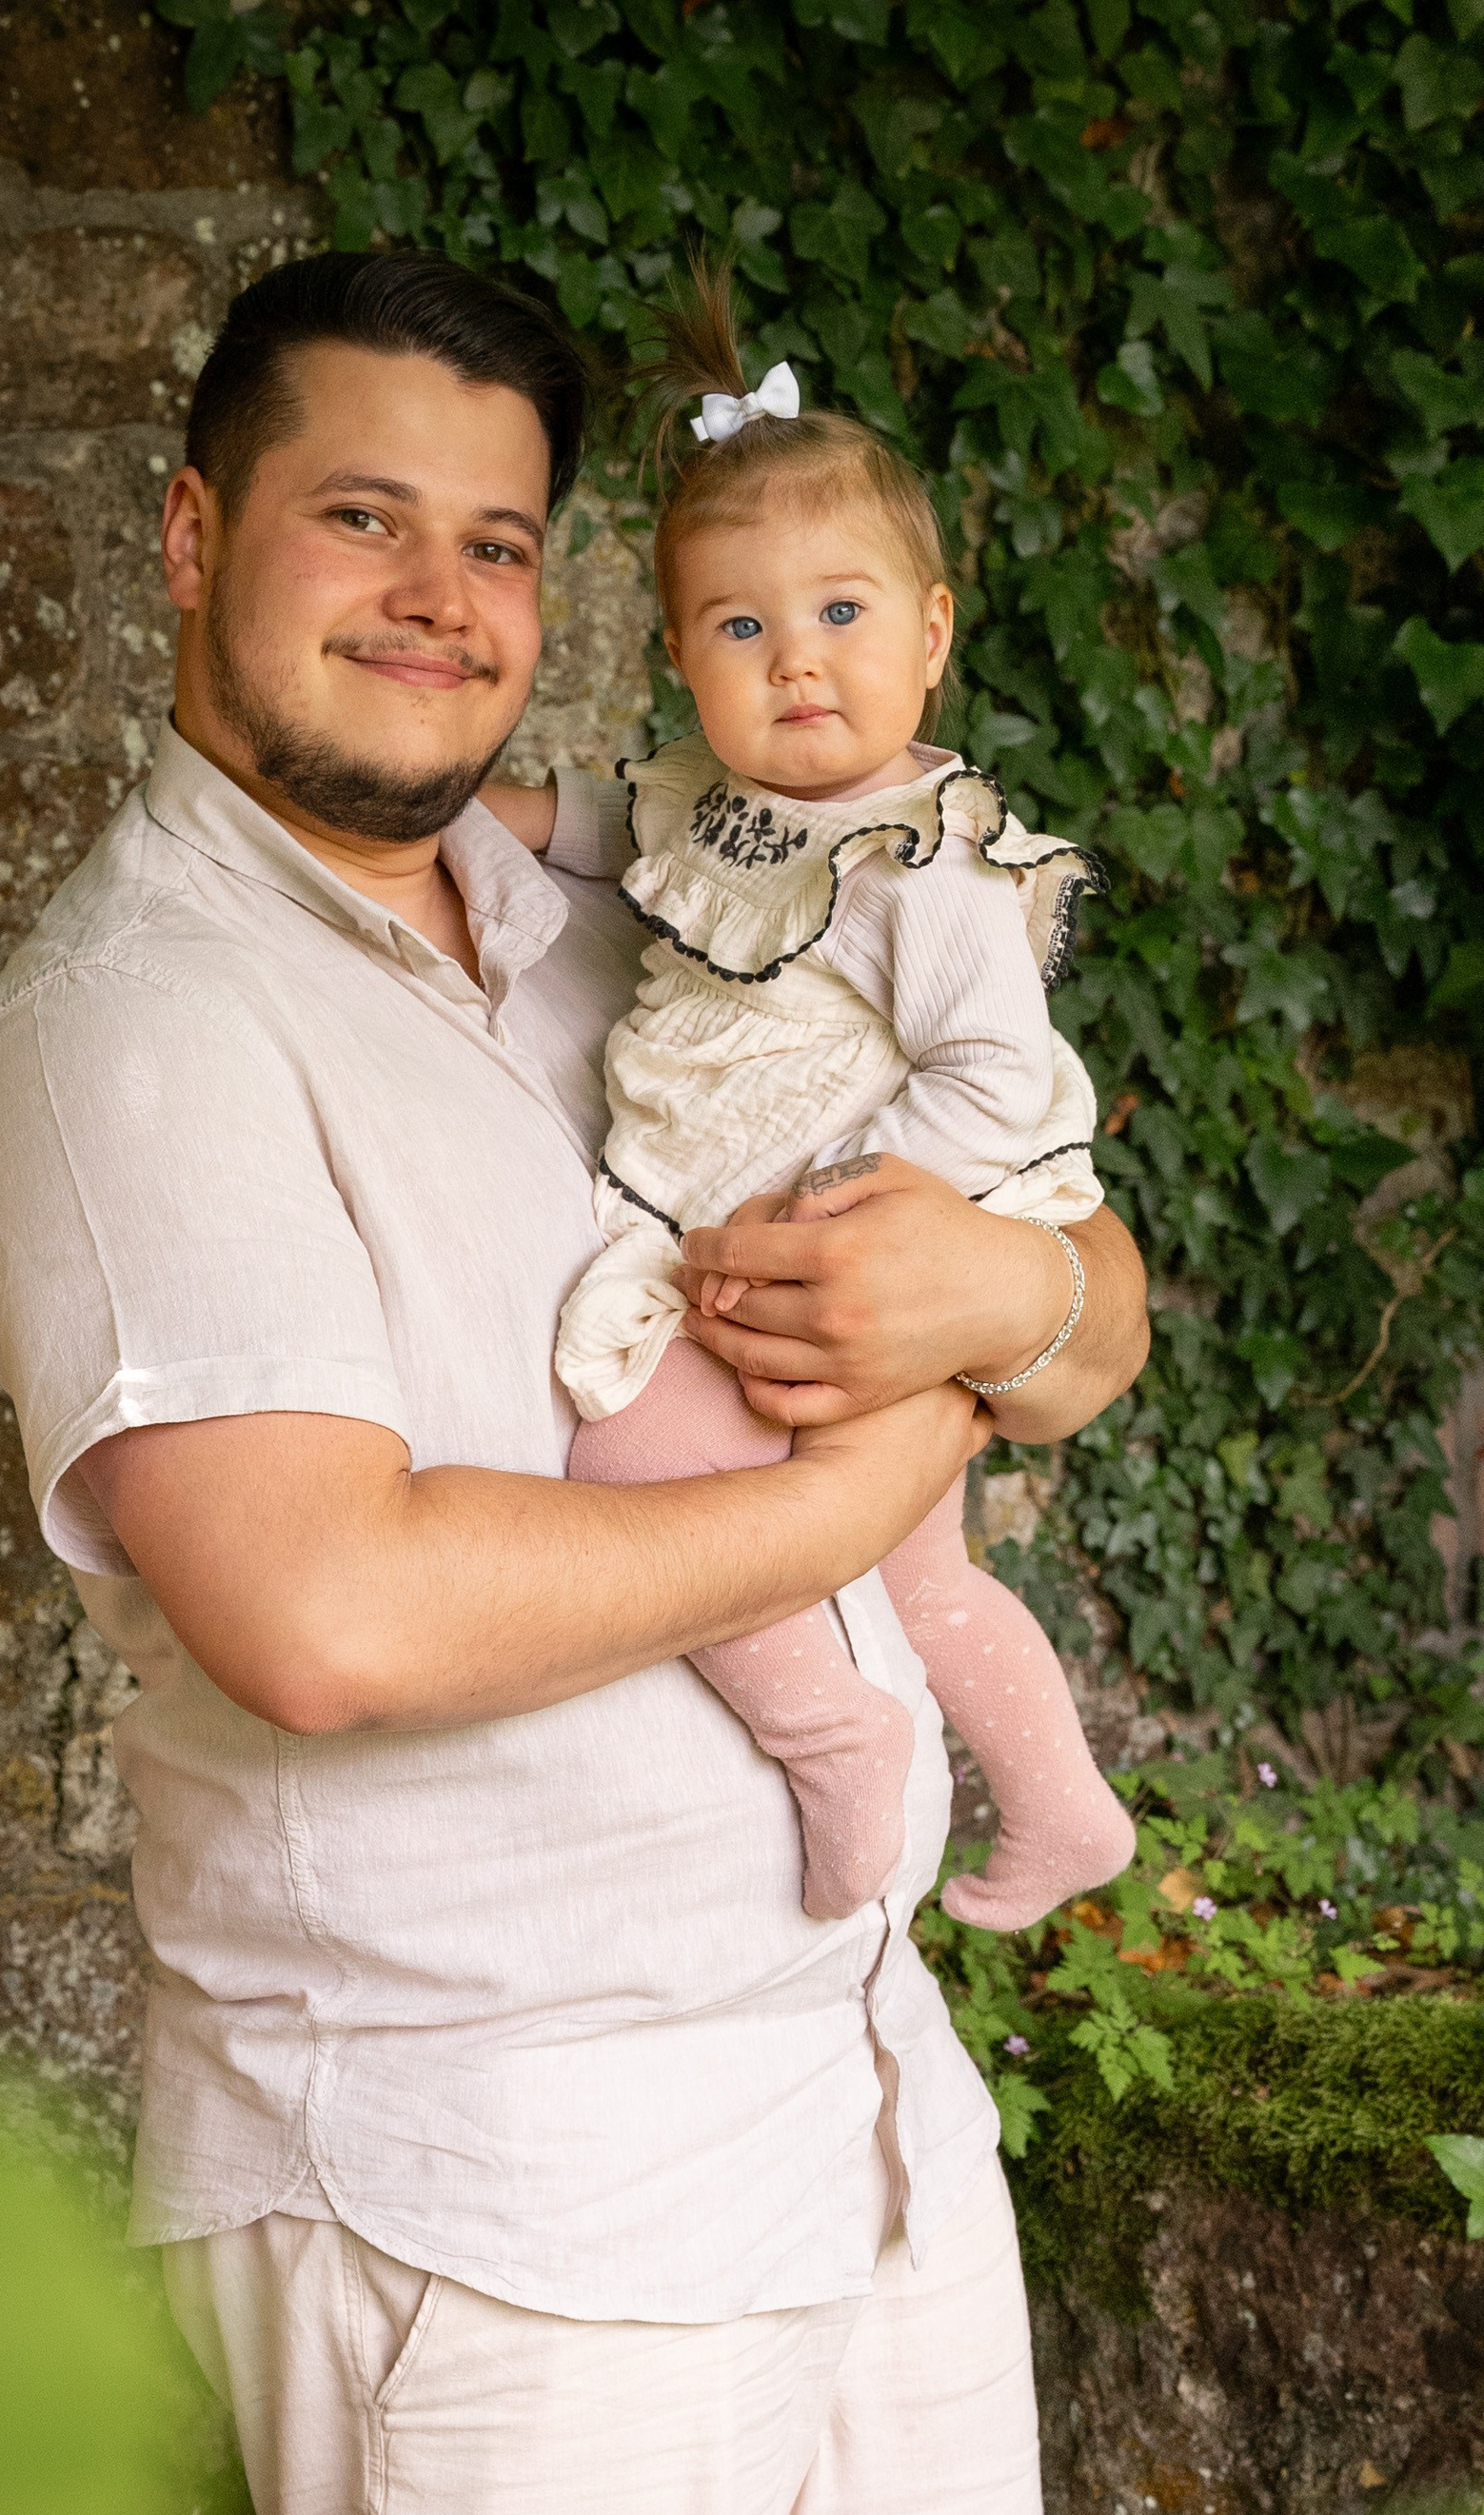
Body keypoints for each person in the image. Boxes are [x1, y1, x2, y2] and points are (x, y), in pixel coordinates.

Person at [0, 246, 1438, 2515]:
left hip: (837, 2095)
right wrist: (866, 1488)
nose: (433, 600)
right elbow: (322, 1607)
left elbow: (1066, 1263)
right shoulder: (129, 1040)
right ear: (192, 545)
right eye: (358, 518)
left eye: (494, 541)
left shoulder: (638, 910)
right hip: (480, 2179)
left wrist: (1020, 1301)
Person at [484, 264, 1134, 1935]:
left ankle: (833, 1733)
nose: (797, 666)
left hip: (861, 1240)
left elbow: (998, 1074)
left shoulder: (931, 866)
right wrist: (479, 807)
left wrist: (842, 1210)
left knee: (631, 1453)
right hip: (796, 1242)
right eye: (742, 628)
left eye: (843, 615)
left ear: (932, 632)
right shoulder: (720, 800)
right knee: (923, 1568)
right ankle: (1066, 1810)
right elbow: (608, 834)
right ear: (681, 656)